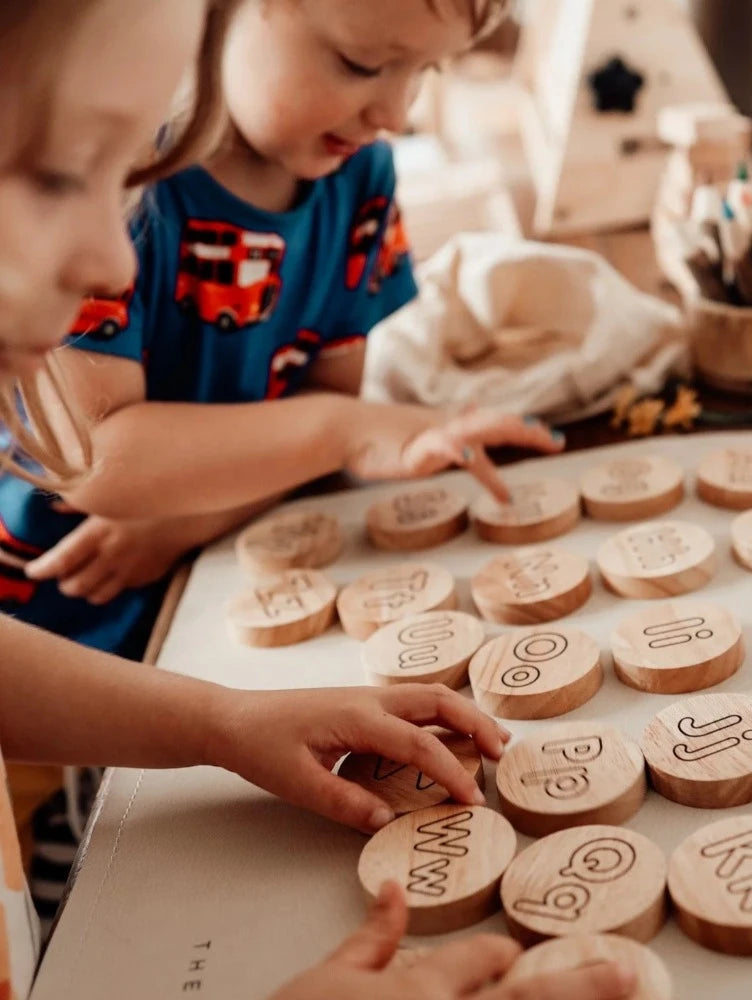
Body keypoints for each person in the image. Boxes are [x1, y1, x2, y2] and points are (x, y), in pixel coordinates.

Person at [0, 2, 634, 998]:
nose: (393, 111)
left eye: (422, 74)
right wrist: (346, 435)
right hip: (52, 626)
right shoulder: (135, 169)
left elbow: (301, 439)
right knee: (66, 882)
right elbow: (100, 458)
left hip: (177, 628)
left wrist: (181, 525)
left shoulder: (358, 182)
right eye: (356, 61)